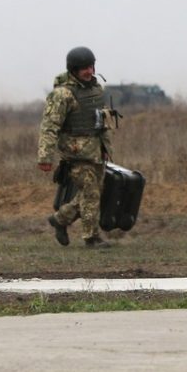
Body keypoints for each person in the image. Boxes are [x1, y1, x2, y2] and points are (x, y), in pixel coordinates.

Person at [38, 47, 115, 248]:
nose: (89, 71)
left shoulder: (96, 89)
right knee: (90, 193)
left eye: (91, 67)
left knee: (93, 192)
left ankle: (60, 219)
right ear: (73, 70)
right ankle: (92, 238)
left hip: (95, 151)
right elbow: (49, 126)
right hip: (75, 153)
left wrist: (106, 148)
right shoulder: (62, 95)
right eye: (84, 68)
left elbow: (102, 122)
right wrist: (45, 157)